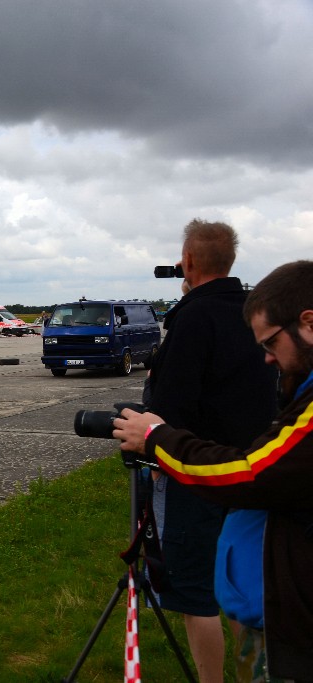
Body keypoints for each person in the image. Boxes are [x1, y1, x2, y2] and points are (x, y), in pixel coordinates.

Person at [114, 259, 313, 681]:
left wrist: (156, 437)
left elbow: (249, 473)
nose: (266, 360)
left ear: (308, 324)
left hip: (297, 624)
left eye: (271, 344)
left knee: (192, 596)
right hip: (281, 601)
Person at [141, 219, 277, 683]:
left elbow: (169, 406)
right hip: (252, 470)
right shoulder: (253, 310)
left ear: (190, 261)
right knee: (241, 588)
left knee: (196, 593)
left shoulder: (192, 315)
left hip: (195, 474)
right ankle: (252, 675)